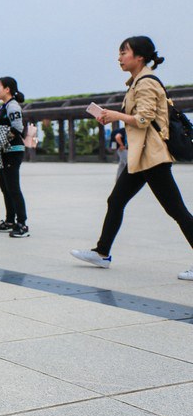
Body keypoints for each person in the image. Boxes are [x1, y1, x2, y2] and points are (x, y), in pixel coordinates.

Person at [71, 36, 193, 280]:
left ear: (139, 56)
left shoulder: (146, 82)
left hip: (152, 157)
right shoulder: (137, 81)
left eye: (123, 52)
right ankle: (102, 252)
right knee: (115, 200)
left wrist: (115, 115)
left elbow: (144, 119)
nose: (119, 57)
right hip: (141, 157)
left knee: (176, 210)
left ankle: (102, 251)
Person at [0, 77, 29, 237]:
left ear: (7, 89)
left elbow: (17, 128)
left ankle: (22, 223)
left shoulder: (12, 106)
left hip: (13, 150)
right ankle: (10, 220)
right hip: (3, 150)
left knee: (13, 187)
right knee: (5, 187)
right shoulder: (4, 106)